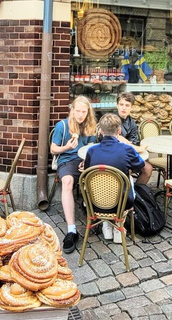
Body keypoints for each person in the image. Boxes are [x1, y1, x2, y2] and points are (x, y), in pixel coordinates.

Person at [84, 114, 148, 243]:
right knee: (127, 178)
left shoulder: (91, 151)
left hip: (95, 202)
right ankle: (119, 226)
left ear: (101, 131)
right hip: (122, 203)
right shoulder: (127, 149)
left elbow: (86, 172)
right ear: (119, 131)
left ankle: (107, 225)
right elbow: (141, 164)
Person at [51, 96, 97, 254]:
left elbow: (92, 147)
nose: (80, 115)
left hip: (84, 160)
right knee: (68, 182)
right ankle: (72, 230)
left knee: (98, 177)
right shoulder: (62, 126)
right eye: (78, 111)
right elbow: (53, 149)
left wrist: (87, 160)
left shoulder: (90, 126)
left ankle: (100, 218)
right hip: (67, 160)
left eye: (84, 112)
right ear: (72, 110)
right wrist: (66, 147)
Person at [114, 92, 153, 184]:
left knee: (148, 168)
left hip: (128, 155)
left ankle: (136, 192)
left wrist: (123, 140)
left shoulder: (132, 123)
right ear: (117, 106)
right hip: (114, 155)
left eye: (127, 105)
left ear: (131, 108)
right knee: (127, 170)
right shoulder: (110, 119)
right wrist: (122, 139)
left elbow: (134, 142)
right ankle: (123, 194)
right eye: (121, 104)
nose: (124, 108)